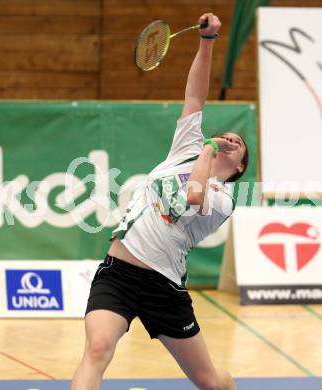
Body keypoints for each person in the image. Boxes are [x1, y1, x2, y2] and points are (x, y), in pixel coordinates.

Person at [71, 12, 248, 390]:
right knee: (97, 349)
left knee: (210, 383)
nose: (229, 140)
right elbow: (195, 95)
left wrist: (209, 149)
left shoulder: (224, 197)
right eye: (226, 136)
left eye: (238, 144)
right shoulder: (185, 151)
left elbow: (193, 195)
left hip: (163, 288)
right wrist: (207, 41)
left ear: (238, 167)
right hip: (117, 273)